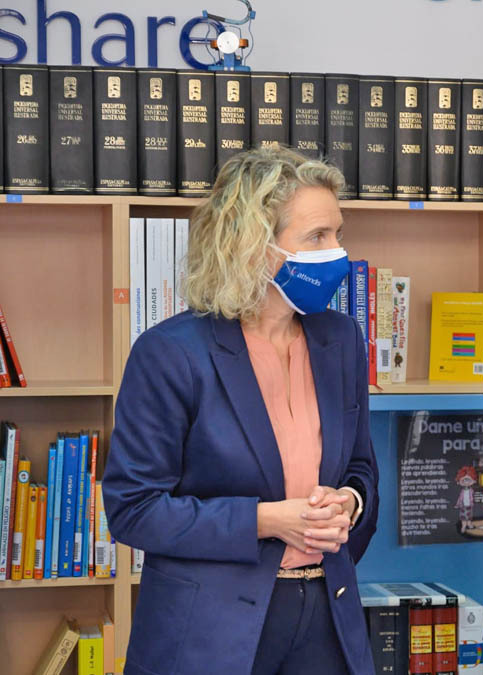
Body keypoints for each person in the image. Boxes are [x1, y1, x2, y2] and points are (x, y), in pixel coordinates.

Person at [104, 146, 380, 675]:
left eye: (339, 234)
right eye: (317, 237)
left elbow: (361, 468)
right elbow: (134, 509)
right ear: (254, 246)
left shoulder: (342, 338)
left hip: (329, 618)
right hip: (209, 630)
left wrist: (348, 502)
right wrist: (266, 520)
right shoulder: (171, 353)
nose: (338, 253)